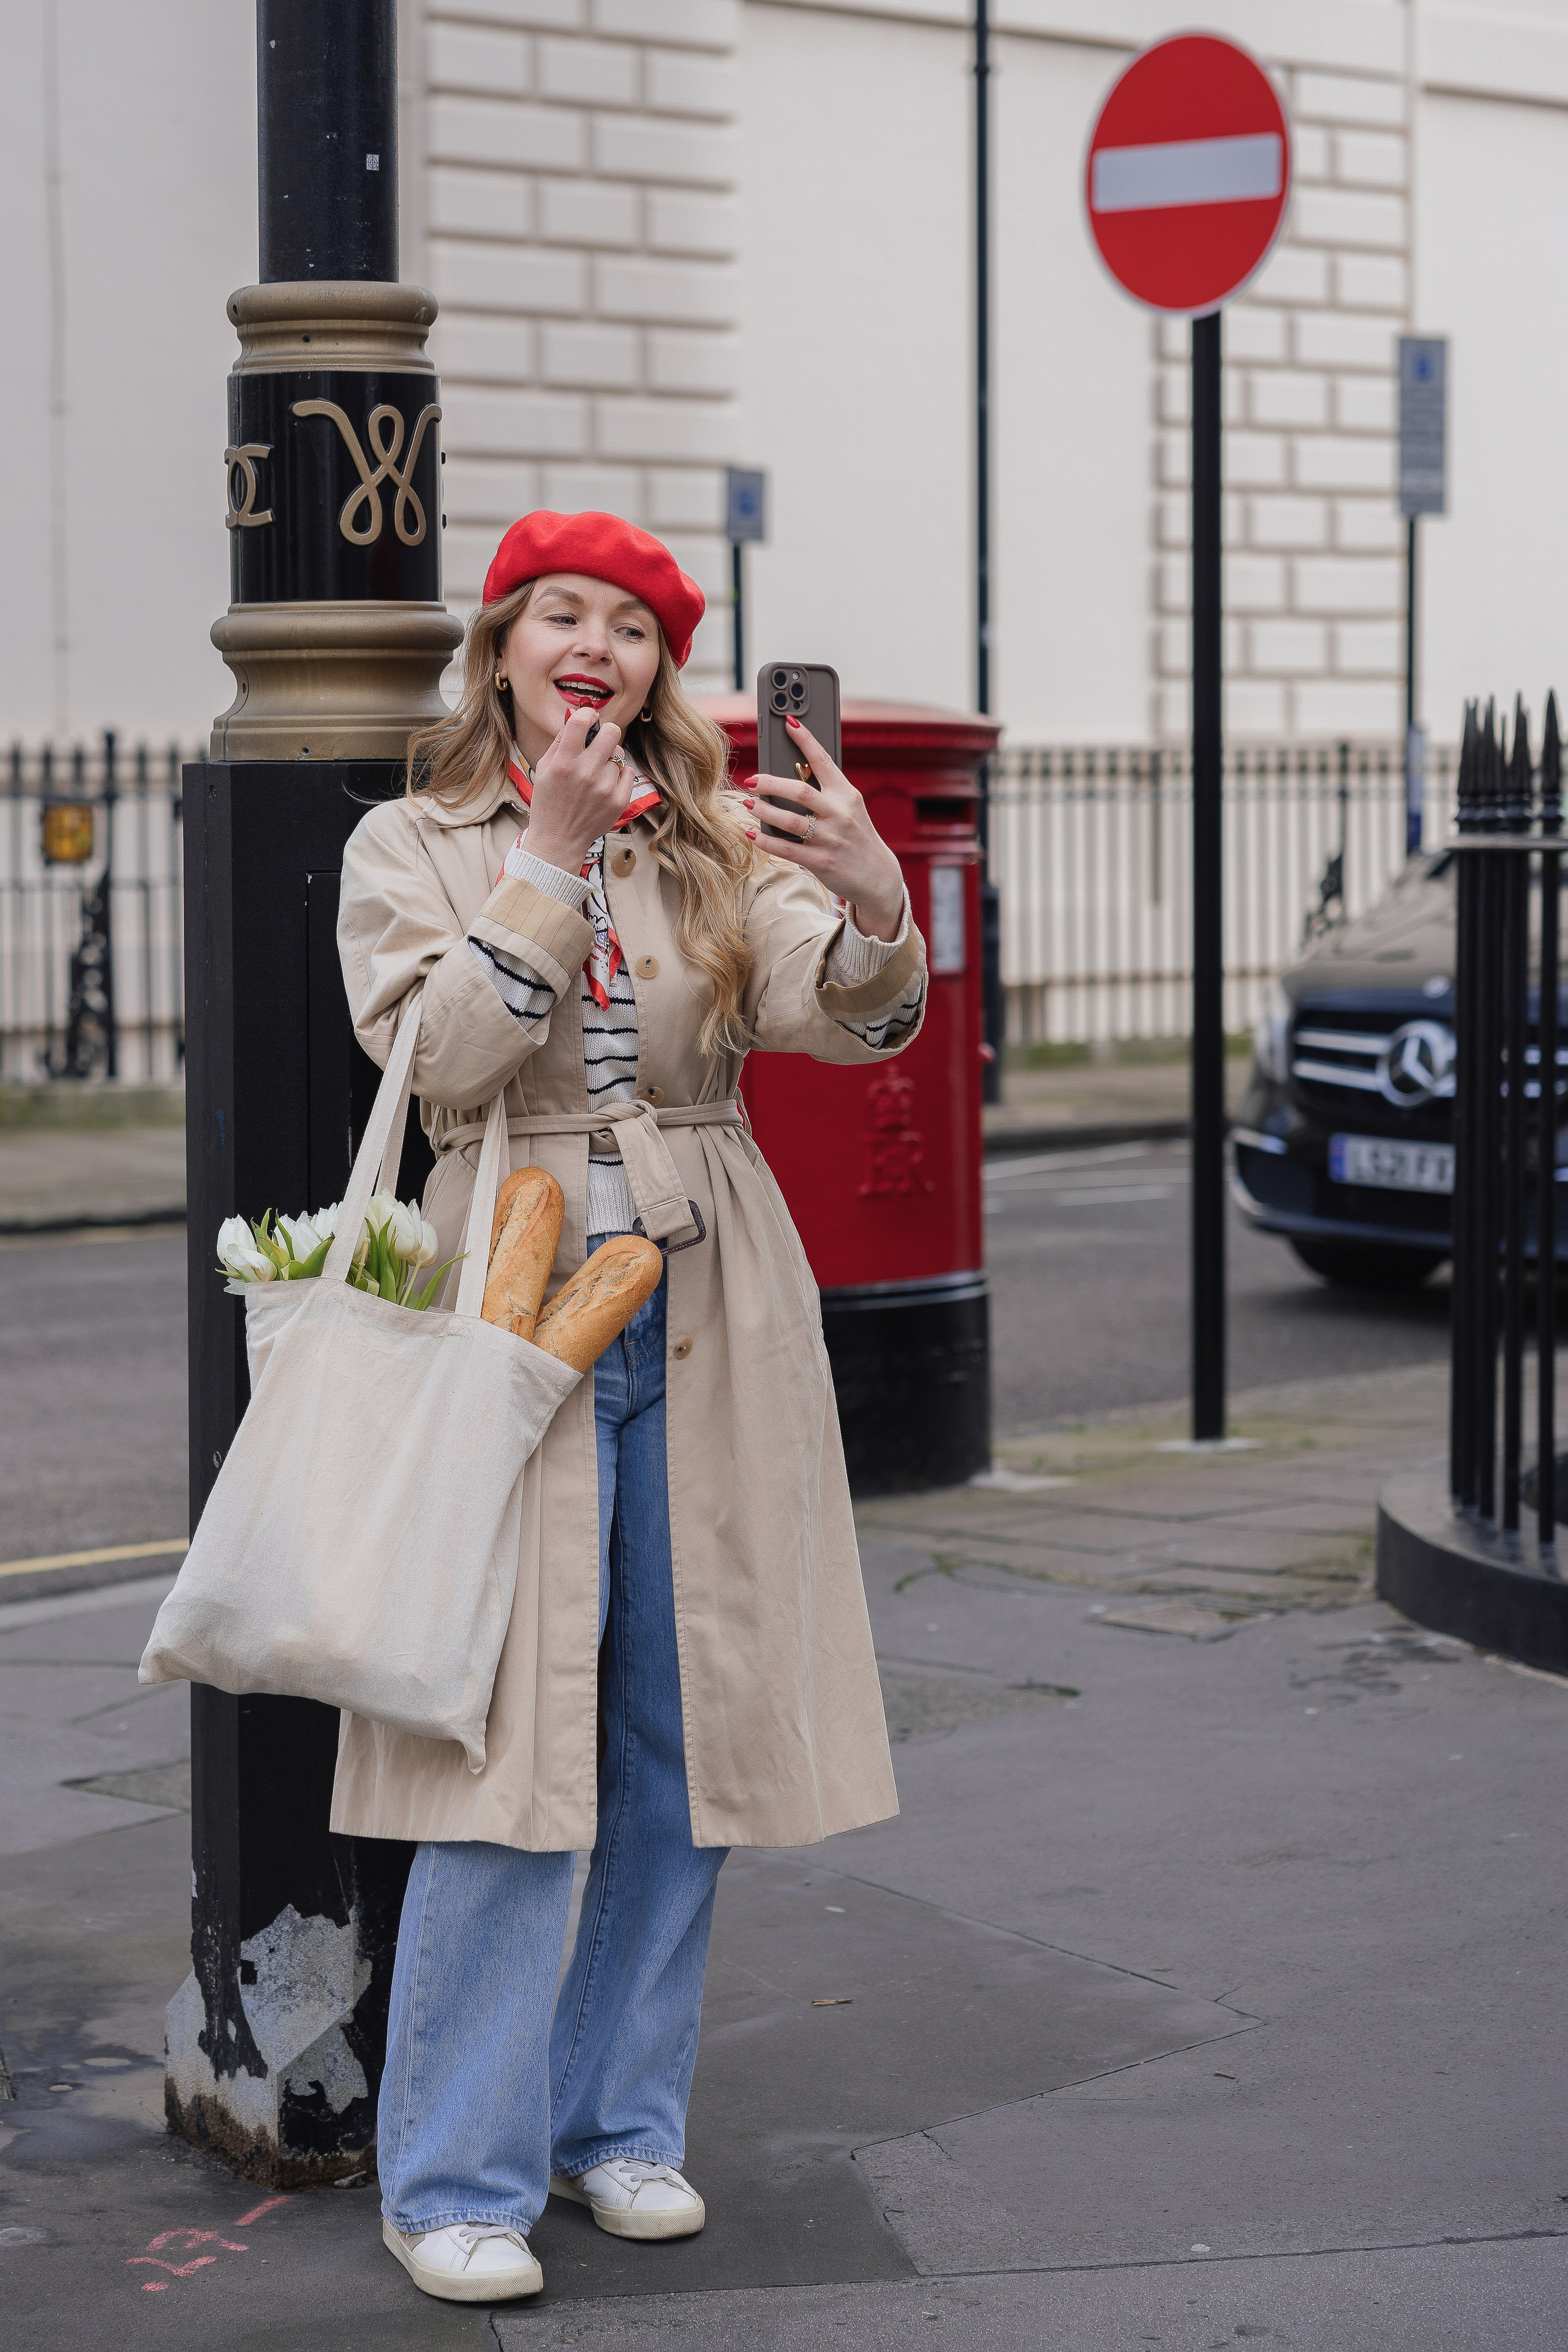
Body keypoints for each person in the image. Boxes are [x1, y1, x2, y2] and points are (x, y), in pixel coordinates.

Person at [334, 510, 928, 2305]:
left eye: (636, 627)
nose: (597, 646)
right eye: (562, 616)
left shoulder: (716, 842)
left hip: (707, 1309)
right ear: (503, 649)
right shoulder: (411, 841)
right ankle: (452, 2175)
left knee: (687, 1741)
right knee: (502, 1754)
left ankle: (619, 2129)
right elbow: (437, 1061)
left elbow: (849, 1010)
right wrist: (544, 860)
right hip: (503, 1316)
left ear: (666, 670)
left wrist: (881, 903)